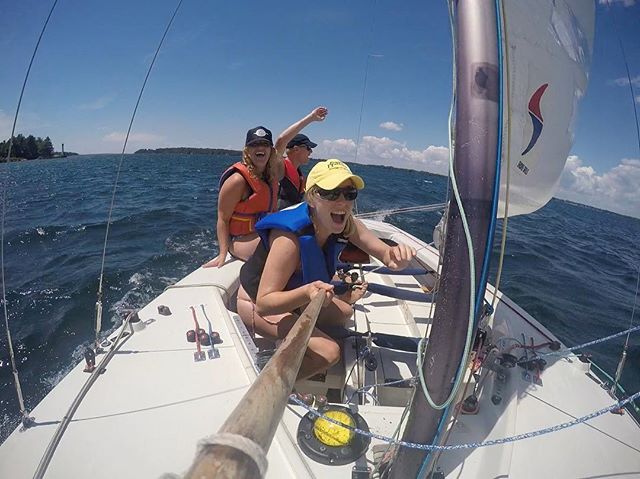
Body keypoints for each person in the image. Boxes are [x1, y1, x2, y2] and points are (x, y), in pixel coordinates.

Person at [237, 159, 416, 379]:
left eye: (349, 194)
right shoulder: (289, 239)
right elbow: (264, 304)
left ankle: (290, 346)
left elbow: (386, 255)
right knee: (329, 353)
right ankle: (272, 377)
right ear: (312, 197)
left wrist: (398, 257)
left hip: (295, 300)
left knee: (345, 313)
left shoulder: (348, 223)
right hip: (255, 303)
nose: (342, 201)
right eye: (331, 193)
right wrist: (306, 292)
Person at [205, 107, 328, 268]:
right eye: (254, 145)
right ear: (247, 151)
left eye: (264, 144)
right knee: (287, 246)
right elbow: (223, 219)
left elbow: (282, 140)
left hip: (265, 230)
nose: (260, 148)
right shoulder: (237, 180)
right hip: (240, 240)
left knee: (313, 233)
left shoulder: (273, 173)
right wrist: (222, 254)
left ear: (271, 151)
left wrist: (311, 118)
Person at [277, 133, 316, 210]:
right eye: (308, 148)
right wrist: (309, 120)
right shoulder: (279, 168)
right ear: (296, 149)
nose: (311, 151)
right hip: (277, 219)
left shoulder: (299, 174)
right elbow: (280, 141)